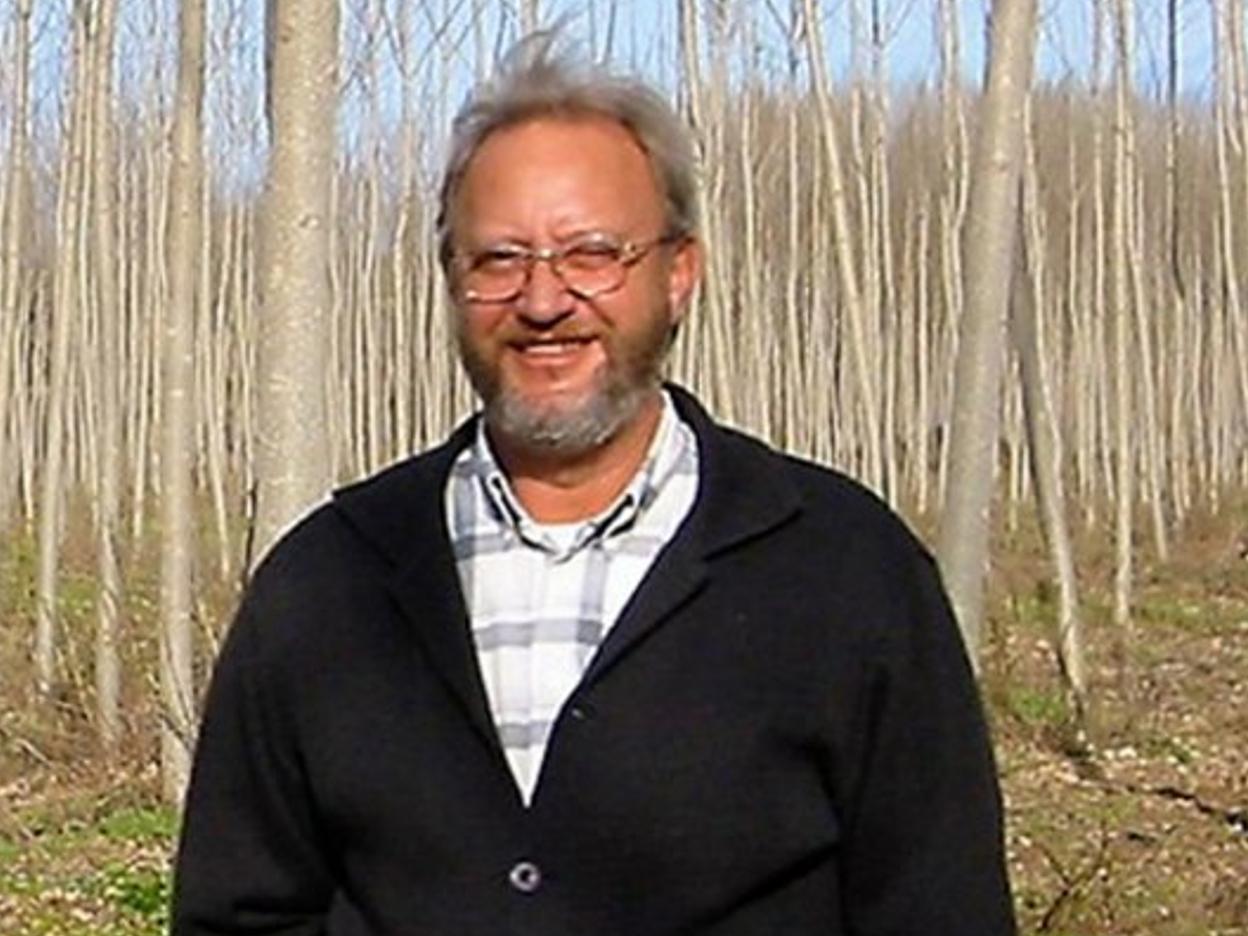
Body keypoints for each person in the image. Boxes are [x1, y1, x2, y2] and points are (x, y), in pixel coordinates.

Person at [172, 32, 1017, 936]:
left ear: (678, 274)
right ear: (452, 281)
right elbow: (238, 914)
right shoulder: (326, 584)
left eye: (591, 254)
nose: (543, 302)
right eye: (500, 259)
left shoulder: (846, 573)